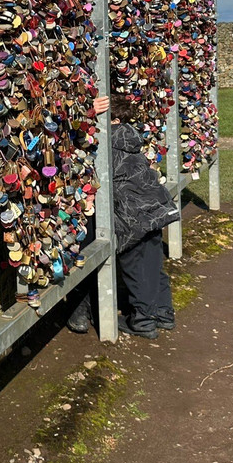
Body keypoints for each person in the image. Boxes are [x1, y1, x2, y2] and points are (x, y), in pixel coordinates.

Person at [67, 95, 179, 339]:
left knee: (136, 267)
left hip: (131, 217)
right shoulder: (132, 139)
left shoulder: (106, 142)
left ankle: (143, 321)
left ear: (113, 120)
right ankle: (163, 313)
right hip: (155, 209)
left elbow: (72, 141)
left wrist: (85, 117)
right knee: (153, 264)